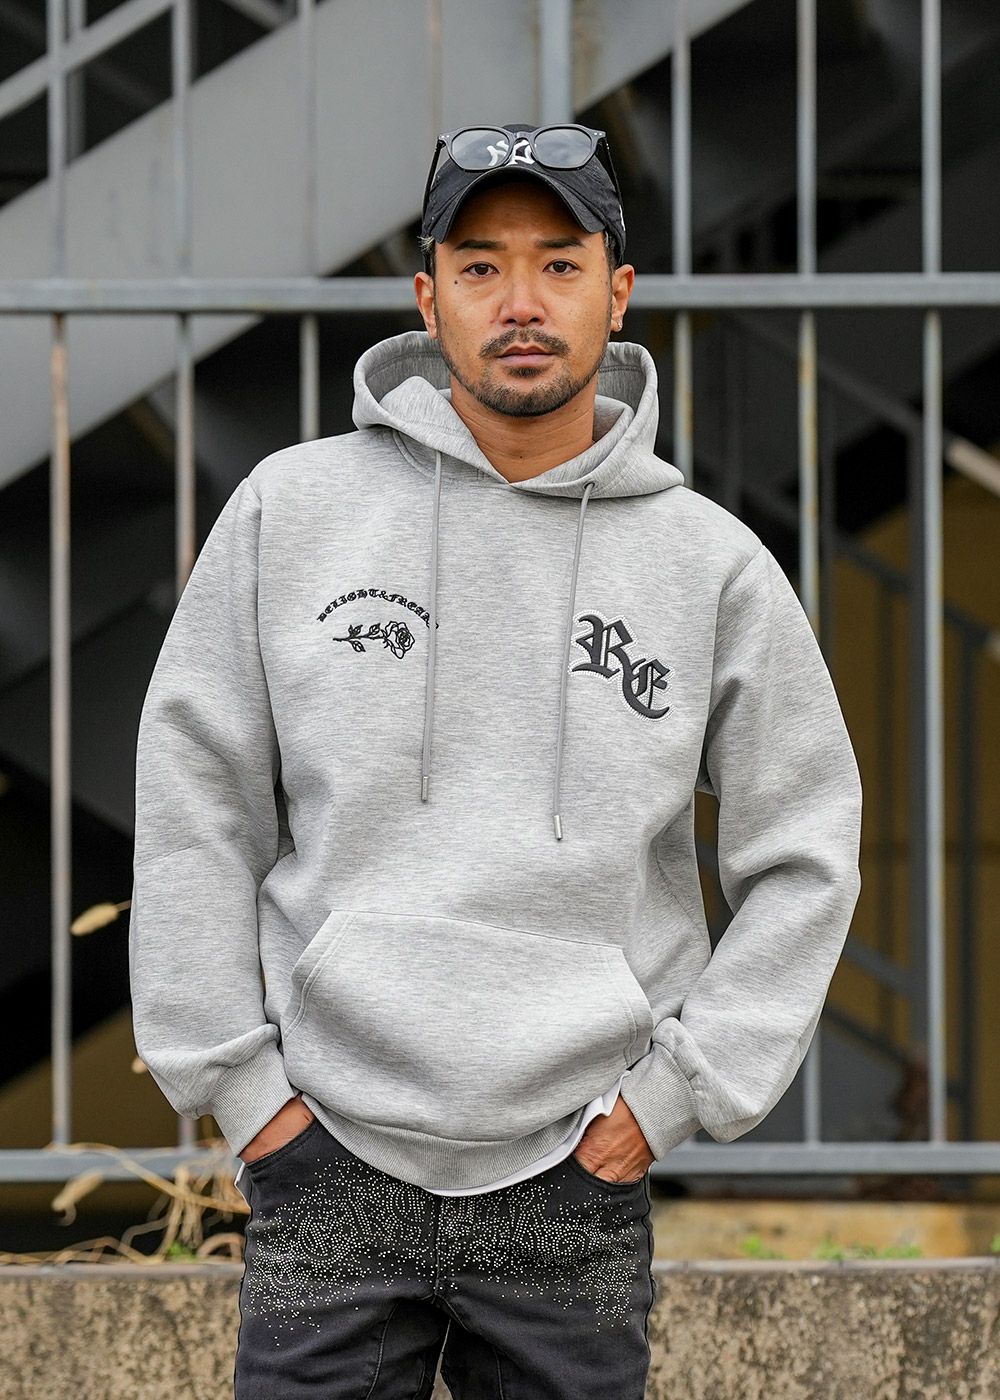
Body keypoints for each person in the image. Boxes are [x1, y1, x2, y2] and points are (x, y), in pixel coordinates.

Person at [128, 121, 863, 1398]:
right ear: (428, 299)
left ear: (616, 294)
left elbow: (805, 849)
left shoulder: (708, 562)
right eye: (479, 266)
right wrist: (244, 1092)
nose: (520, 302)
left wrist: (675, 1096)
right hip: (326, 1152)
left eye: (557, 264)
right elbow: (196, 803)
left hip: (577, 1164)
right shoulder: (291, 513)